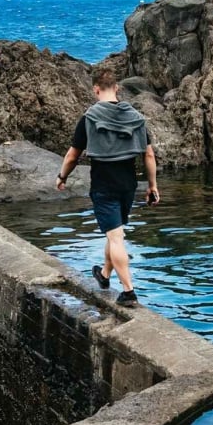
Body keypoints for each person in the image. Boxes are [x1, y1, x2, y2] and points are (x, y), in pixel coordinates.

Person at [56, 68, 159, 307]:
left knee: (115, 238)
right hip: (128, 185)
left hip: (103, 185)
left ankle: (128, 291)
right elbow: (149, 154)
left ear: (96, 90)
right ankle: (104, 275)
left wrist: (62, 176)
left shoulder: (89, 118)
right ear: (117, 88)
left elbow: (72, 155)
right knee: (115, 233)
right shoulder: (135, 117)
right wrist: (152, 186)